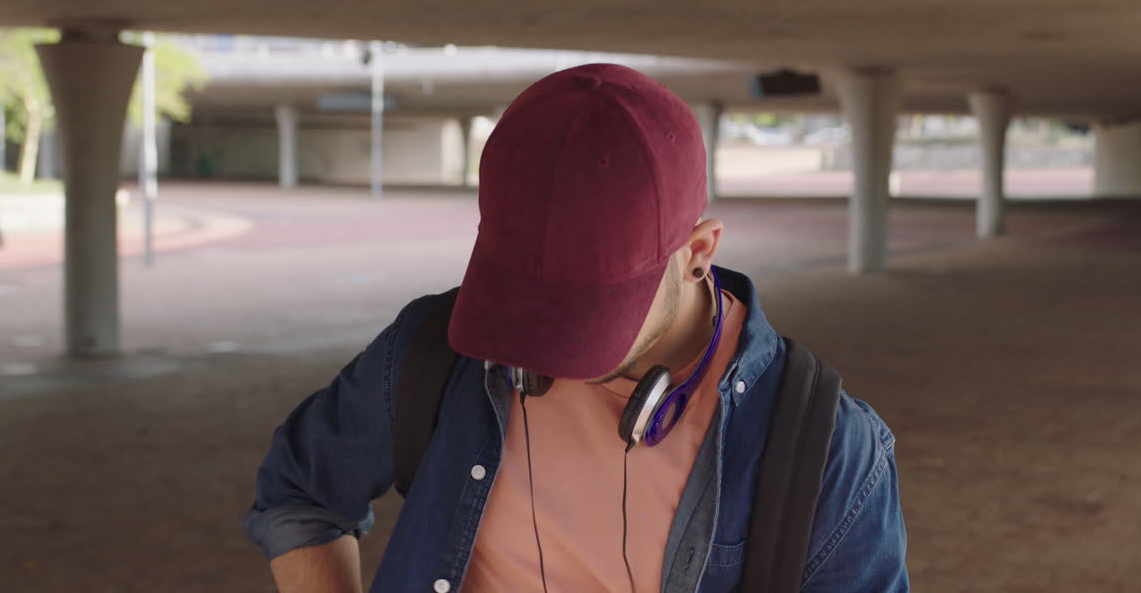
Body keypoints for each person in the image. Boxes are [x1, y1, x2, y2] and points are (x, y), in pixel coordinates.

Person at [244, 64, 908, 592]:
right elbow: (299, 493)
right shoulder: (429, 348)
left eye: (589, 305)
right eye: (521, 291)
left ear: (699, 252)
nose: (542, 342)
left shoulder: (831, 452)